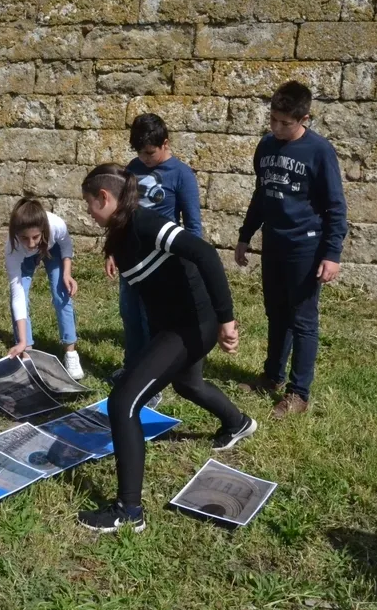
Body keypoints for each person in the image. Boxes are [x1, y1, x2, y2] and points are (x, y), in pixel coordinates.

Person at [77, 163, 255, 533]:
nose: (88, 213)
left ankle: (129, 511)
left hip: (193, 325)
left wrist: (226, 320)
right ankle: (238, 423)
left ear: (104, 197)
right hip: (173, 325)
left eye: (89, 205)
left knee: (123, 402)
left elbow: (204, 254)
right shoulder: (122, 228)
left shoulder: (147, 223)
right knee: (188, 384)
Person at [234, 80, 347, 419]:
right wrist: (245, 235)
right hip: (274, 243)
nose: (278, 128)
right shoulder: (266, 147)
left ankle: (299, 393)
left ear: (304, 119)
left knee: (302, 319)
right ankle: (271, 376)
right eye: (273, 120)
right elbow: (261, 195)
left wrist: (331, 253)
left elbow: (335, 206)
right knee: (276, 313)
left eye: (286, 123)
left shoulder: (319, 152)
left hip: (305, 246)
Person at [108, 113, 203, 407]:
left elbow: (193, 225)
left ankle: (153, 380)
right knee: (130, 314)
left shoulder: (181, 174)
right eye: (140, 153)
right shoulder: (132, 170)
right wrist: (112, 250)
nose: (145, 159)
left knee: (154, 321)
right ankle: (132, 366)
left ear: (165, 143)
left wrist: (192, 262)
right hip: (131, 259)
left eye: (150, 153)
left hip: (162, 264)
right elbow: (119, 215)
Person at [3, 197, 83, 379]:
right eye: (24, 238)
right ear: (16, 234)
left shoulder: (56, 225)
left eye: (35, 237)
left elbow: (65, 245)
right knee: (20, 296)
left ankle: (70, 351)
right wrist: (22, 341)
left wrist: (67, 274)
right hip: (24, 259)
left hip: (52, 248)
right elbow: (18, 296)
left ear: (43, 230)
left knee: (61, 293)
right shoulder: (12, 249)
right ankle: (27, 352)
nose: (31, 243)